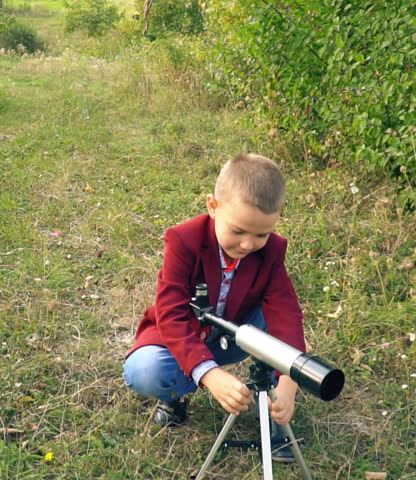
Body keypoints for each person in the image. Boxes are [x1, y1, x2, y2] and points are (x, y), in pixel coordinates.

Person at [122, 154, 307, 460]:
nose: (248, 244)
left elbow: (285, 312)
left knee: (278, 325)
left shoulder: (272, 251)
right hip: (186, 336)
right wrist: (209, 374)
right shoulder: (184, 240)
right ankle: (177, 394)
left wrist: (289, 381)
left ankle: (271, 405)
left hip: (237, 334)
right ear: (213, 206)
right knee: (146, 370)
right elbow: (171, 313)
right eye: (238, 231)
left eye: (261, 234)